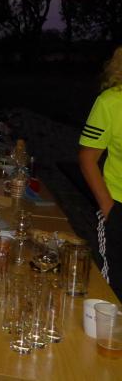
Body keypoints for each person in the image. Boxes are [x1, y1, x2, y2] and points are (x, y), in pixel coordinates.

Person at [78, 46, 122, 300]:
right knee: (114, 294)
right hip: (118, 207)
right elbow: (87, 158)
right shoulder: (110, 102)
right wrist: (109, 208)